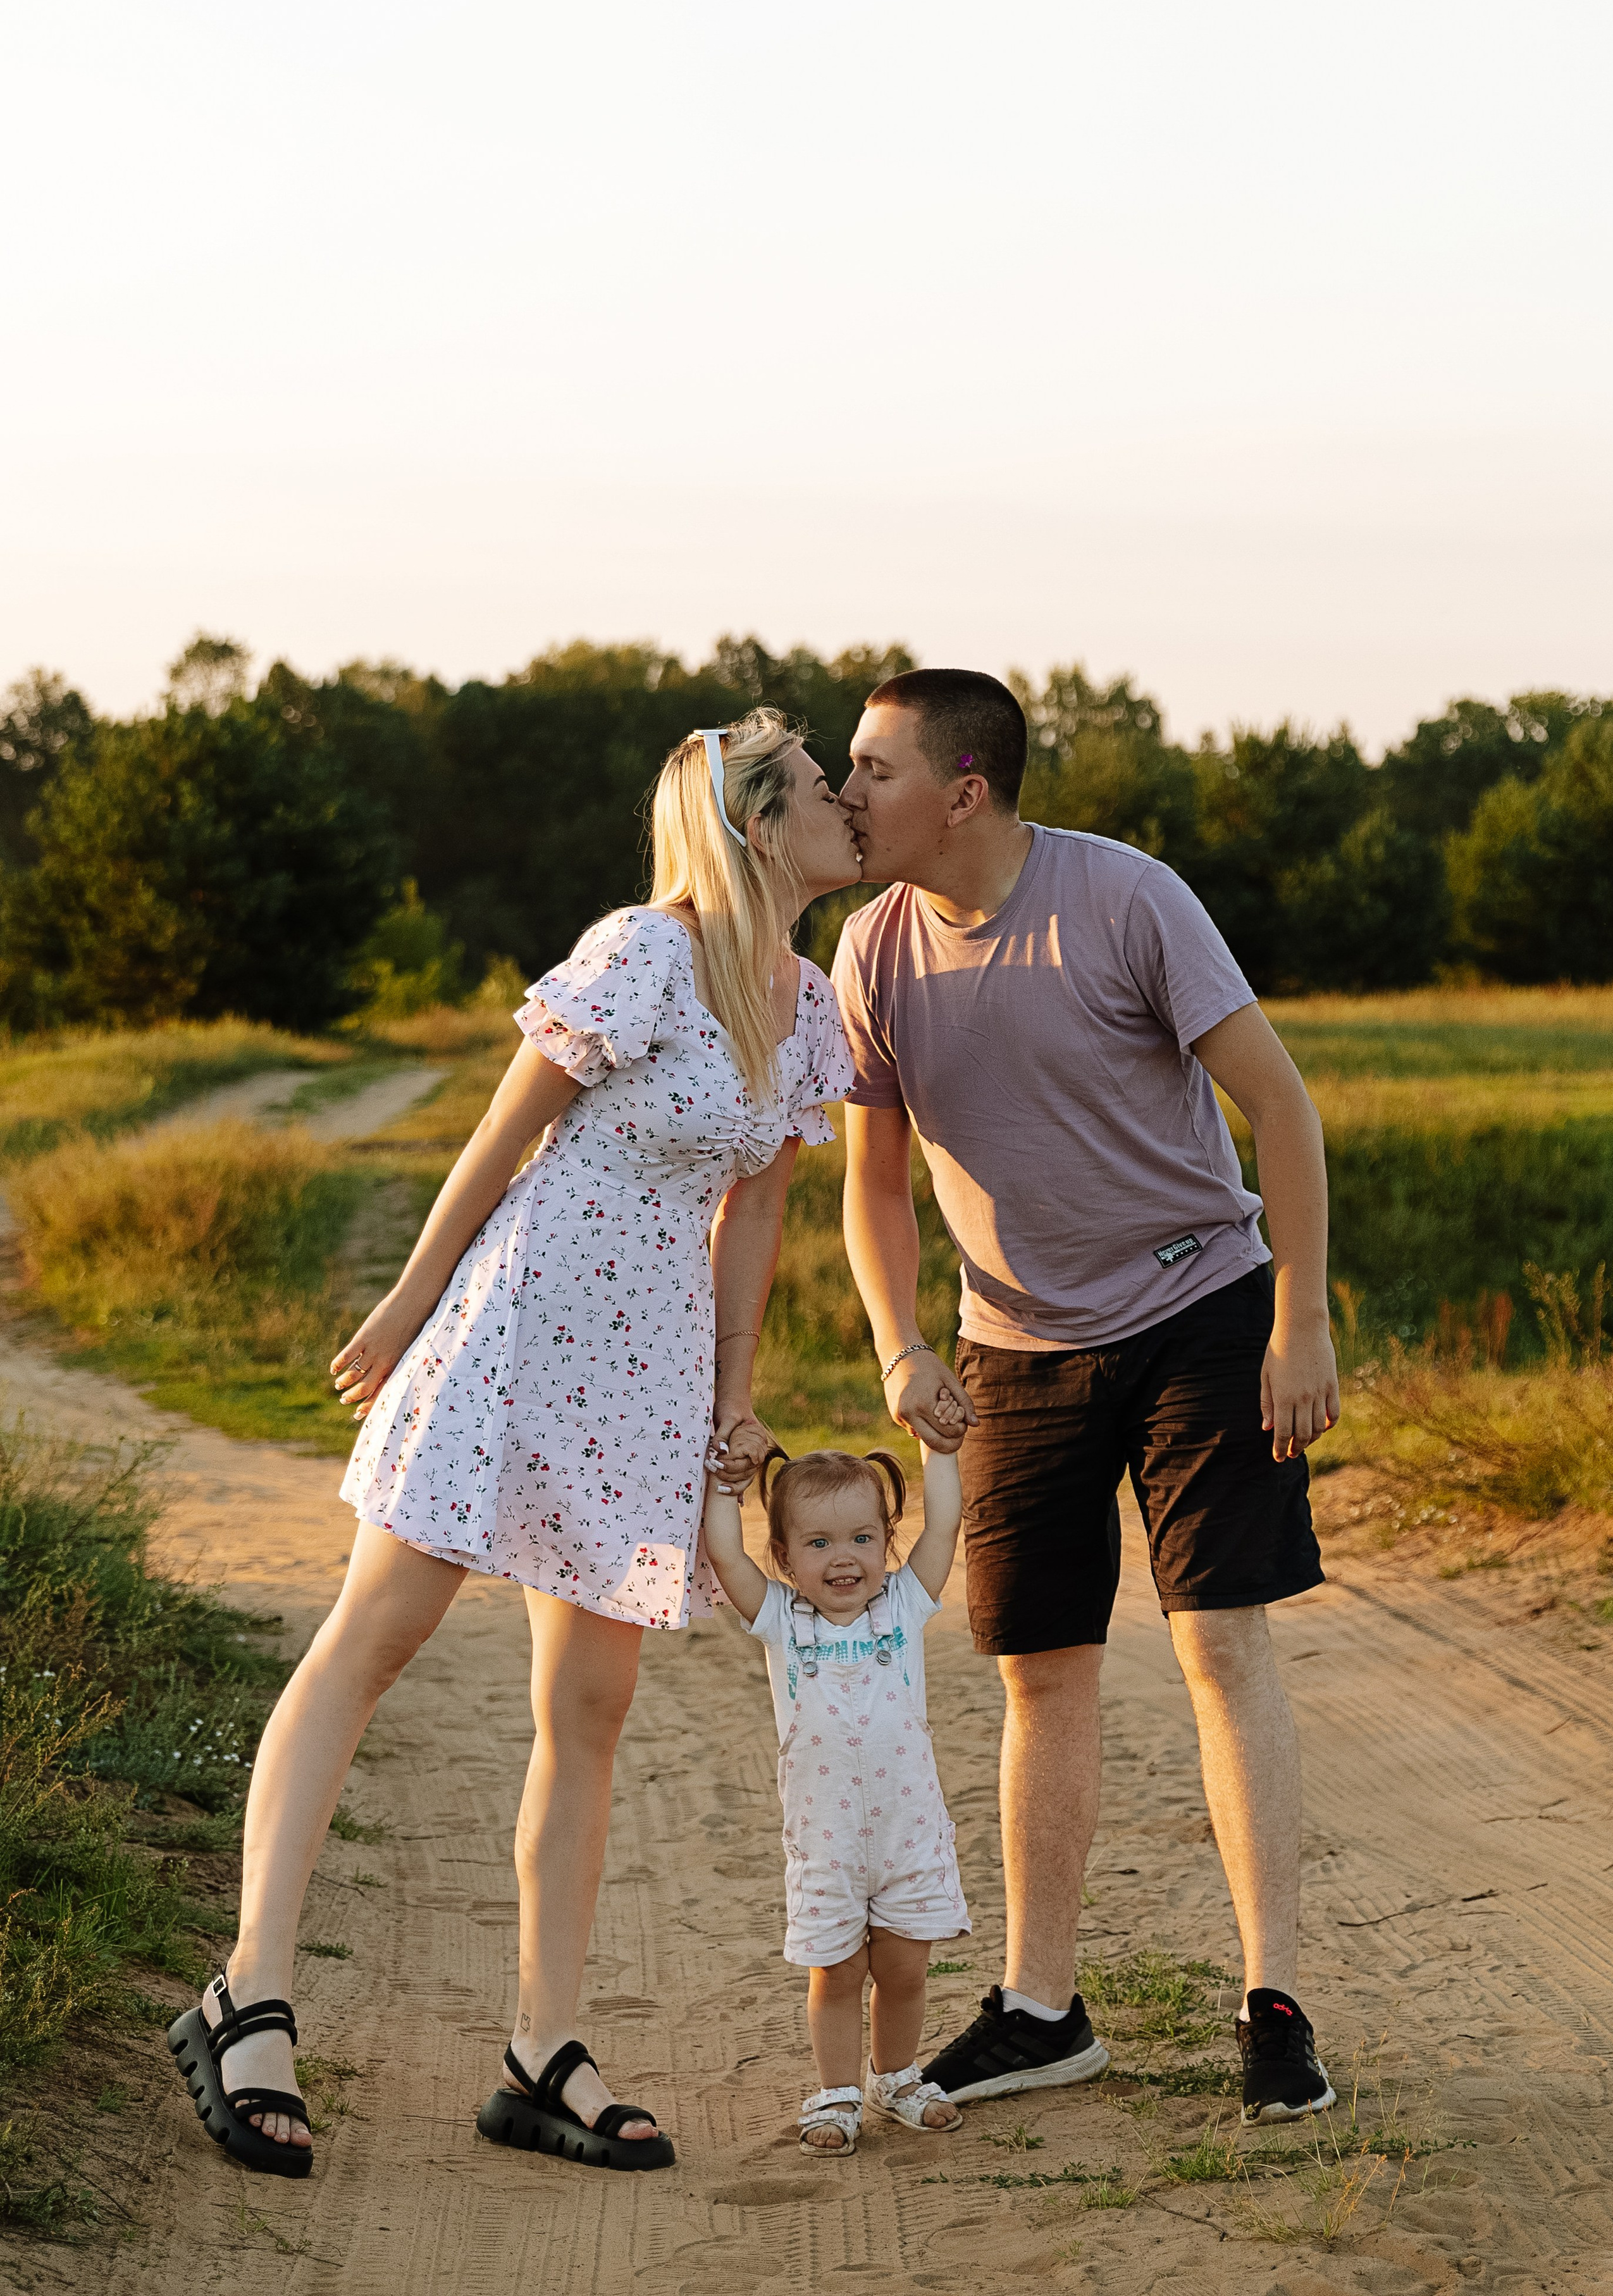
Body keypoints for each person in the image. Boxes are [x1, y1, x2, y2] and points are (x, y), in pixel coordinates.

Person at [166, 709, 858, 2180]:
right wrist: (407, 1305)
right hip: (517, 1332)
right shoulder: (643, 952)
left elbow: (754, 1212)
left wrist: (732, 1401)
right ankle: (249, 1991)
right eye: (817, 787)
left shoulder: (805, 1005)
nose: (845, 802)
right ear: (755, 824)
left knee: (591, 1704)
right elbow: (500, 1137)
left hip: (648, 1375)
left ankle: (542, 2048)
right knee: (373, 1639)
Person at [831, 668, 1341, 2126]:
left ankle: (1271, 2003)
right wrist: (898, 1343)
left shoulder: (1124, 899)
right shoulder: (870, 950)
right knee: (1038, 1670)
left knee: (1215, 1643)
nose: (846, 793)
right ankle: (1040, 2009)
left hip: (1199, 1311)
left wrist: (1298, 1319)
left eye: (872, 769)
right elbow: (875, 1183)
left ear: (961, 792)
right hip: (1013, 1345)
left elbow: (1279, 1105)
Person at [703, 1439, 990, 2156]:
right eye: (819, 1542)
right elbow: (725, 1555)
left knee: (904, 1969)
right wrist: (725, 1483)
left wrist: (938, 1449)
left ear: (886, 1541)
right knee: (835, 1972)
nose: (844, 1557)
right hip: (826, 1844)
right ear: (784, 1556)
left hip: (907, 1836)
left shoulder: (902, 1606)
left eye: (863, 1538)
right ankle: (836, 2091)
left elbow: (945, 1525)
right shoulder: (781, 1619)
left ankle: (895, 2077)